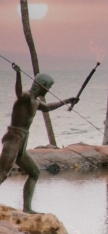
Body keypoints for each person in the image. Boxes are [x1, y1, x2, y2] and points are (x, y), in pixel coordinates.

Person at [1, 68, 78, 213]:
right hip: (13, 138)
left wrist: (67, 101)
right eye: (48, 87)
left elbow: (48, 107)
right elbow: (18, 92)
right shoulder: (25, 97)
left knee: (35, 173)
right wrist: (18, 74)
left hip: (22, 140)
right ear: (41, 85)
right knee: (3, 173)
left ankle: (27, 208)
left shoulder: (36, 102)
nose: (48, 90)